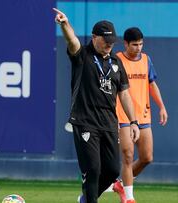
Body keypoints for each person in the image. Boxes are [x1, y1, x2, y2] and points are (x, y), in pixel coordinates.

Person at [53, 8, 140, 203]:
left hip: (109, 122)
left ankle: (85, 199)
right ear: (94, 37)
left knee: (111, 170)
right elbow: (72, 41)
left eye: (112, 42)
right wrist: (65, 24)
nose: (109, 45)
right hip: (85, 121)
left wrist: (134, 121)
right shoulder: (82, 55)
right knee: (92, 168)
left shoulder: (117, 62)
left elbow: (124, 94)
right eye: (105, 41)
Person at [113, 27, 168, 203]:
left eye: (141, 44)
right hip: (123, 116)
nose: (138, 48)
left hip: (143, 116)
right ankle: (129, 197)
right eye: (135, 44)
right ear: (126, 44)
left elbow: (151, 84)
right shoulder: (117, 60)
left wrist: (161, 106)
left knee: (146, 157)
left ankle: (122, 184)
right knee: (128, 156)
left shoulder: (146, 60)